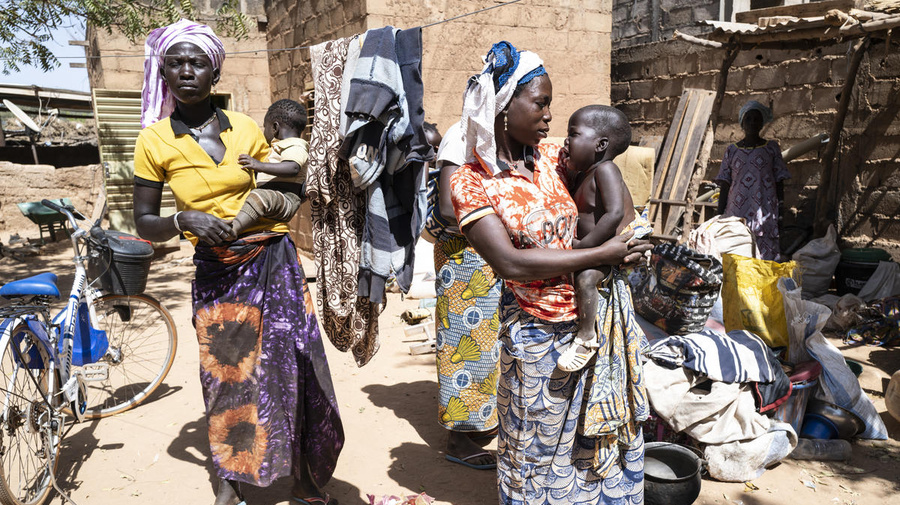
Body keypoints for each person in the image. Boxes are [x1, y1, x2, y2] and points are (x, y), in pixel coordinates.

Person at [132, 20, 343, 505]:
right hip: (218, 271)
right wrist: (184, 219)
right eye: (175, 62)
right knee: (228, 377)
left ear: (215, 70)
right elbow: (145, 223)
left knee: (294, 365)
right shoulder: (155, 140)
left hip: (272, 261)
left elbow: (287, 181)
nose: (186, 70)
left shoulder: (247, 128)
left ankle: (303, 475)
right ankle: (231, 478)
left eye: (197, 61)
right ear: (162, 71)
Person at [450, 41, 651, 504]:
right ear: (504, 106)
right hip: (536, 333)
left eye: (550, 107)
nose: (547, 117)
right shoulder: (472, 181)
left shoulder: (554, 159)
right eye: (540, 104)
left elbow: (610, 186)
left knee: (592, 444)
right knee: (533, 451)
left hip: (592, 320)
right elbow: (511, 263)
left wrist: (629, 240)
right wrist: (599, 256)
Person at [430, 118, 503, 471]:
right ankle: (458, 437)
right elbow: (448, 205)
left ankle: (477, 422)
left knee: (488, 347)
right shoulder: (461, 137)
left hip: (492, 252)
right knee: (462, 346)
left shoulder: (499, 138)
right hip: (465, 255)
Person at [556, 105, 652, 372]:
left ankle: (586, 338)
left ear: (600, 144)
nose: (566, 141)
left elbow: (614, 214)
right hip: (599, 249)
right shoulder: (582, 175)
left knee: (585, 278)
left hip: (614, 246)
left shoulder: (606, 170)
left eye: (573, 134)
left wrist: (583, 248)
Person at [716, 100, 790, 261]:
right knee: (738, 252)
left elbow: (779, 180)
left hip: (764, 210)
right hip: (736, 212)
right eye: (748, 119)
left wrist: (781, 210)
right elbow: (725, 182)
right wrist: (719, 215)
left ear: (762, 123)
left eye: (757, 119)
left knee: (764, 256)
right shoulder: (732, 151)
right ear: (742, 122)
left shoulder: (771, 148)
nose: (752, 123)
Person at [232, 98, 310, 236]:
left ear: (275, 127)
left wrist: (258, 165)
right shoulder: (277, 147)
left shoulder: (295, 145)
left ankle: (233, 230)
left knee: (260, 197)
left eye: (265, 127)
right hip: (275, 198)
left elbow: (293, 168)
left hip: (287, 199)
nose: (264, 132)